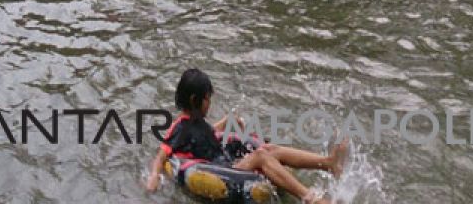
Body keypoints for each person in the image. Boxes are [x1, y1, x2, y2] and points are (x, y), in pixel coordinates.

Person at [145, 69, 346, 203]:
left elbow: (207, 137)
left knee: (268, 149)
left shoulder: (197, 123)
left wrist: (226, 121)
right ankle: (310, 198)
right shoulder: (179, 127)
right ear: (194, 99)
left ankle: (328, 163)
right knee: (260, 156)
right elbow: (162, 154)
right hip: (221, 169)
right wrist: (154, 176)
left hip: (225, 162)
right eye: (207, 99)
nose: (209, 103)